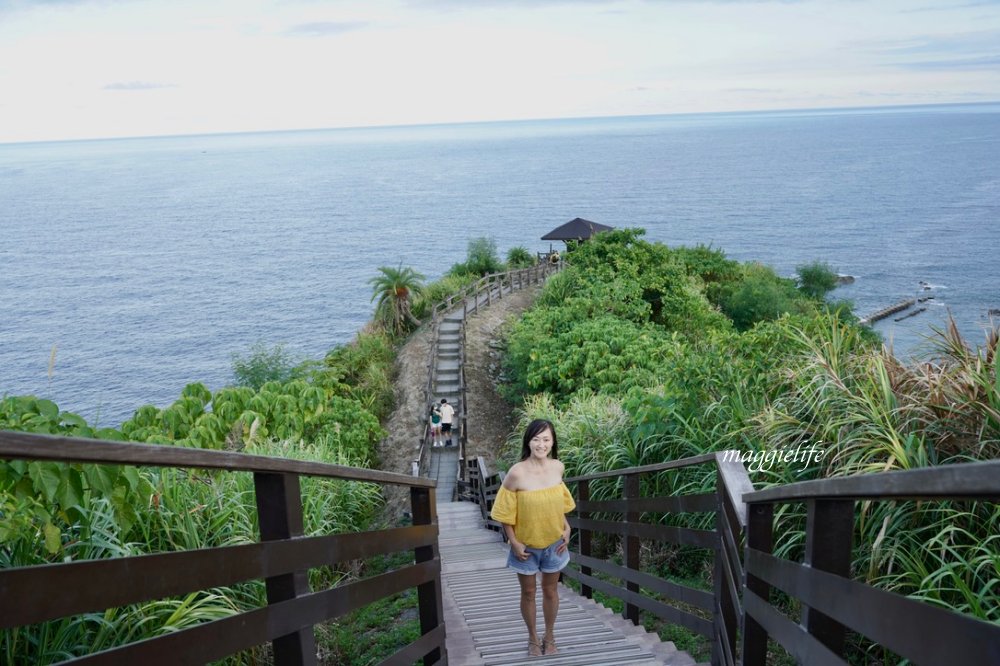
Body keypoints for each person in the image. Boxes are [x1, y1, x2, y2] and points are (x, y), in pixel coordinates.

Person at [490, 419, 575, 657]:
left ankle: (549, 636)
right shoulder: (516, 473)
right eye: (536, 439)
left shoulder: (558, 467)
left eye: (546, 439)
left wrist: (566, 527)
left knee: (551, 591)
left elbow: (559, 502)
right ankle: (532, 638)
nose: (541, 444)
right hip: (525, 546)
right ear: (528, 441)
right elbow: (505, 511)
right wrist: (514, 541)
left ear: (553, 441)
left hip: (554, 544)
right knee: (528, 593)